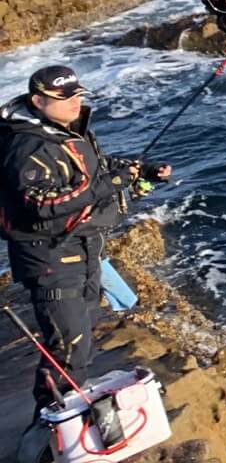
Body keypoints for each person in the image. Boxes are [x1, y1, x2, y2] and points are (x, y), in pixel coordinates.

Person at [1, 65, 170, 411]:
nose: (75, 103)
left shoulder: (65, 130)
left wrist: (142, 170)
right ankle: (49, 421)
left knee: (84, 329)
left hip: (84, 248)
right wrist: (113, 184)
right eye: (65, 98)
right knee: (69, 345)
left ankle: (71, 408)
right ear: (38, 101)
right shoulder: (26, 147)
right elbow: (42, 204)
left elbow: (94, 166)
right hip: (50, 257)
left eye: (77, 95)